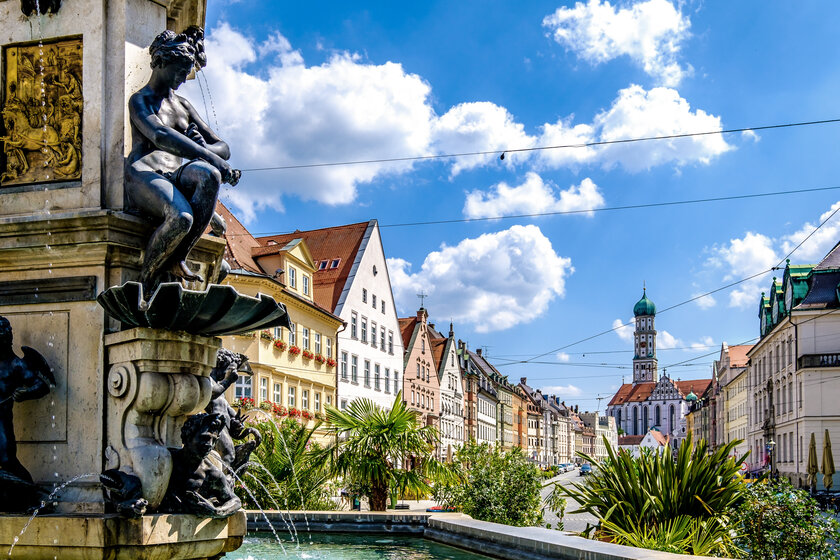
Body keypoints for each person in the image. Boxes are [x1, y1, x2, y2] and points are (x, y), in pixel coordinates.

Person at [125, 27, 240, 298]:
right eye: (179, 71)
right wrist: (208, 155)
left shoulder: (183, 106)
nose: (182, 79)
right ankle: (147, 280)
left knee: (209, 175)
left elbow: (223, 148)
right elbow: (160, 135)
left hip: (175, 173)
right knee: (181, 217)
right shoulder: (141, 100)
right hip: (145, 172)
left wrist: (204, 149)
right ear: (161, 63)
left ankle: (178, 256)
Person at [0, 316, 52, 484]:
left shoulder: (16, 364)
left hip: (2, 417)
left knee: (7, 459)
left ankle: (30, 494)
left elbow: (42, 386)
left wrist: (26, 393)